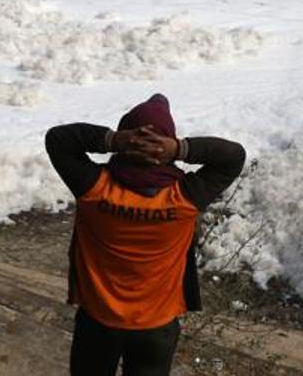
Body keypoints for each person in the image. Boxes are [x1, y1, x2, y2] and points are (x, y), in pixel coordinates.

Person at [45, 93, 246, 376]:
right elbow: (233, 157)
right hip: (156, 328)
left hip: (98, 322)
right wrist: (179, 149)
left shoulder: (94, 188)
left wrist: (113, 141)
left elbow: (58, 140)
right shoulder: (184, 198)